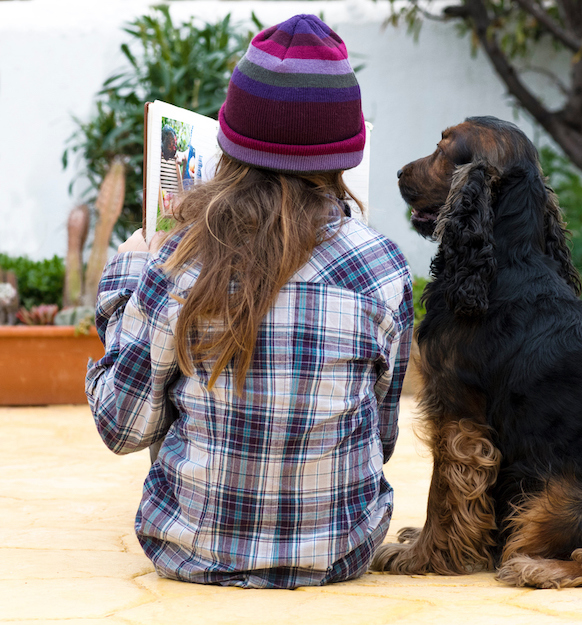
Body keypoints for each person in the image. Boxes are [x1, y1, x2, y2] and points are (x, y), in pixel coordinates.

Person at [86, 15, 413, 589]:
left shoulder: (179, 260)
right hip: (339, 553)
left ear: (228, 144)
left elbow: (122, 425)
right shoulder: (383, 266)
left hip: (188, 551)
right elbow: (380, 440)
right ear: (346, 155)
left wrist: (133, 268)